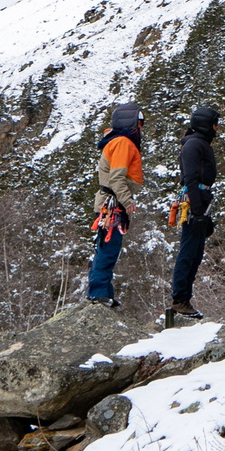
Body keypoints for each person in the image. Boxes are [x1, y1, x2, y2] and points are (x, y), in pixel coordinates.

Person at [163, 104, 220, 326]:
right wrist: (197, 211)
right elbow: (191, 180)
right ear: (206, 124)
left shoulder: (198, 143)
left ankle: (184, 298)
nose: (217, 128)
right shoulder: (194, 145)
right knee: (189, 251)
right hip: (194, 202)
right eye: (215, 123)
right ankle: (180, 298)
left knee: (195, 252)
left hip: (199, 202)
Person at [85, 103, 143, 308]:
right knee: (108, 248)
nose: (141, 127)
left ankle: (103, 292)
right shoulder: (123, 143)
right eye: (140, 122)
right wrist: (127, 201)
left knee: (106, 247)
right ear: (131, 123)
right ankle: (99, 292)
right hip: (113, 204)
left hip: (110, 202)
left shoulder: (116, 141)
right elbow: (117, 177)